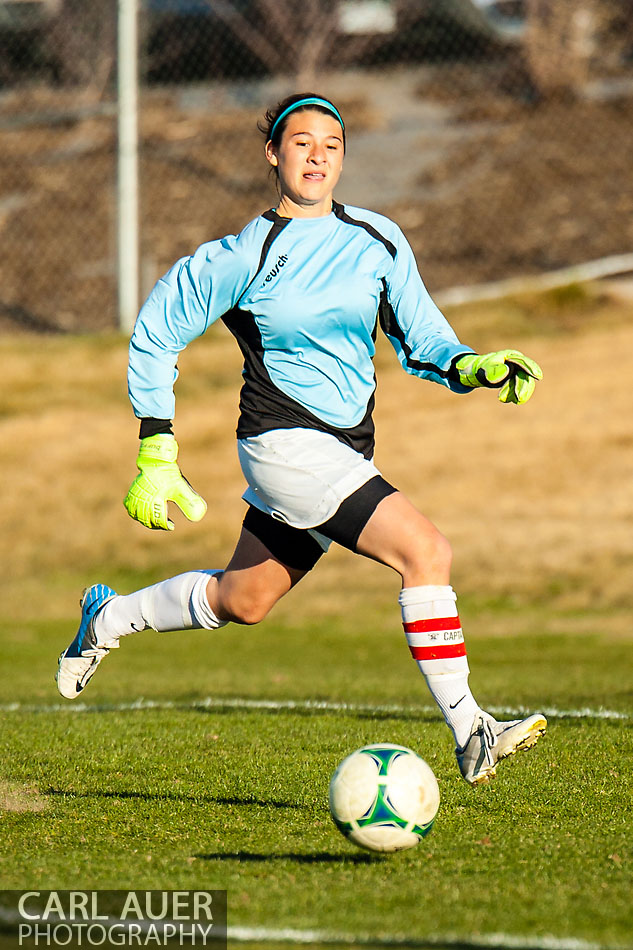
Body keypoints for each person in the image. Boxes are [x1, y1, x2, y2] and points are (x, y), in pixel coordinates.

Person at [56, 93, 546, 786]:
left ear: (343, 157)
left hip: (344, 451)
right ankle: (473, 729)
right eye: (301, 142)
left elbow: (422, 338)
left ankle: (108, 618)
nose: (317, 155)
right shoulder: (242, 255)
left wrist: (474, 365)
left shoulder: (377, 238)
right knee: (425, 551)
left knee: (243, 600)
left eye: (331, 144)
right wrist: (155, 446)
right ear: (272, 153)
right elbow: (157, 330)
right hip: (281, 442)